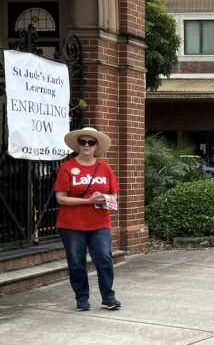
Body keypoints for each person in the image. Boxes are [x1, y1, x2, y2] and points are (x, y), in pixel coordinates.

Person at [54, 127, 121, 312]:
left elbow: (114, 196)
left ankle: (108, 297)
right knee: (76, 262)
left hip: (100, 223)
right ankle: (82, 298)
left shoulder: (104, 168)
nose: (86, 145)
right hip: (71, 224)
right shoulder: (67, 167)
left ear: (96, 146)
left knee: (104, 258)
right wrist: (88, 201)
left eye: (91, 142)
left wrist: (103, 198)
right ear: (78, 145)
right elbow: (61, 198)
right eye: (82, 141)